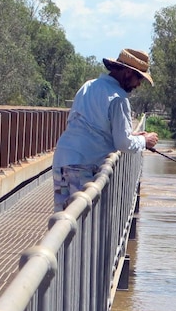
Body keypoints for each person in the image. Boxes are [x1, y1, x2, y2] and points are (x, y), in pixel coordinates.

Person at [52, 48, 159, 211]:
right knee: (80, 220)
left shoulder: (88, 86)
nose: (138, 84)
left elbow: (93, 125)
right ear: (128, 73)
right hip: (83, 166)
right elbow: (123, 143)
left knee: (63, 217)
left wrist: (133, 135)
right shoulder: (119, 98)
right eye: (139, 79)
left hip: (63, 159)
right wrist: (144, 141)